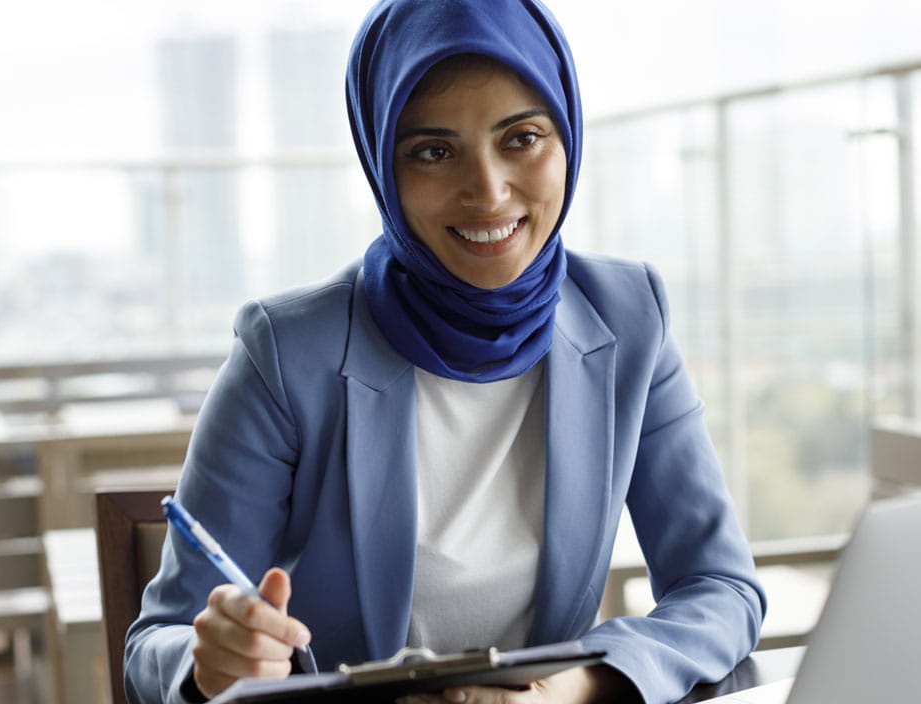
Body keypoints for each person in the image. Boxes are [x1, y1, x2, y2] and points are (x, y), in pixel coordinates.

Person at [124, 0, 766, 702]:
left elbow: (720, 585)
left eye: (521, 138)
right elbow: (156, 643)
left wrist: (575, 686)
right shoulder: (284, 354)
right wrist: (210, 662)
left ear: (568, 137)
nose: (488, 192)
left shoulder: (630, 318)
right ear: (381, 165)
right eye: (433, 151)